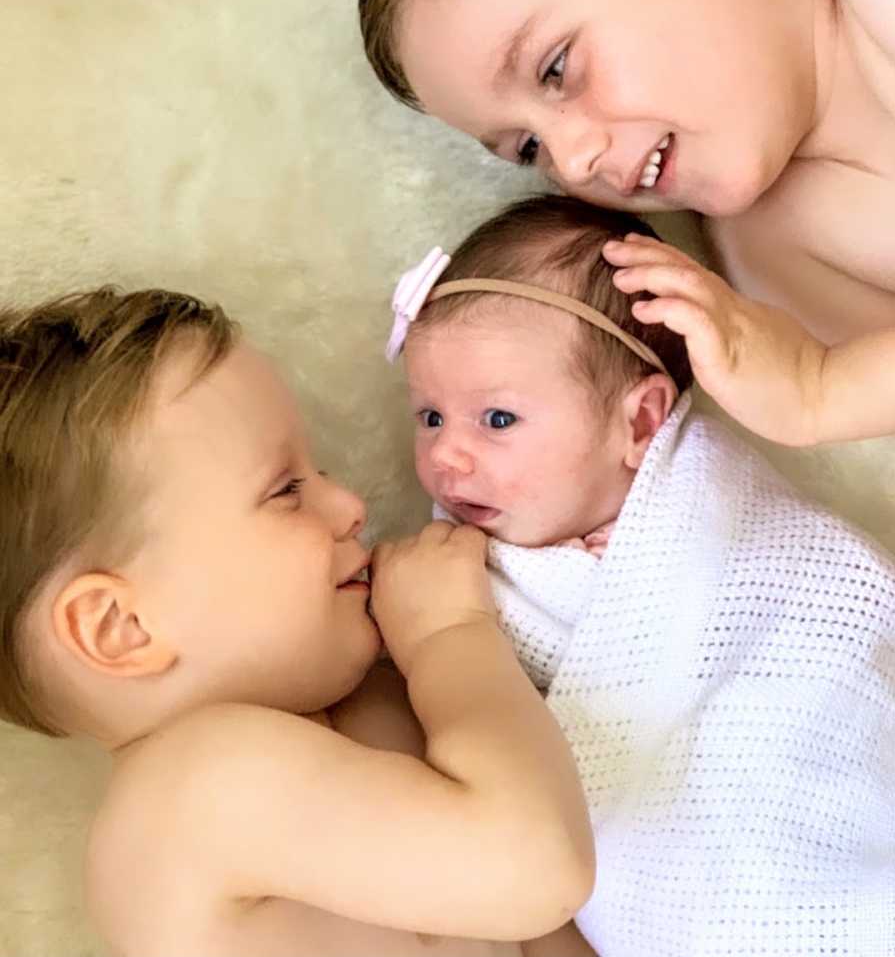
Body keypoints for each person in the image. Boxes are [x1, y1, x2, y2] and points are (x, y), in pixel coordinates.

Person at [0, 287, 596, 957]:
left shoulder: (359, 704)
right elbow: (535, 868)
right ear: (121, 627)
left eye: (321, 471)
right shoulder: (186, 795)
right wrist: (451, 637)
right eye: (285, 491)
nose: (349, 504)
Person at [387, 193, 895, 957]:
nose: (446, 457)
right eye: (430, 416)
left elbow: (840, 617)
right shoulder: (456, 576)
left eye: (496, 420)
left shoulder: (719, 512)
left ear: (641, 421)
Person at [359, 0, 895, 447]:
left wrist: (832, 388)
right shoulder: (766, 265)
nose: (573, 160)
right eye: (528, 148)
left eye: (556, 68)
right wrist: (819, 386)